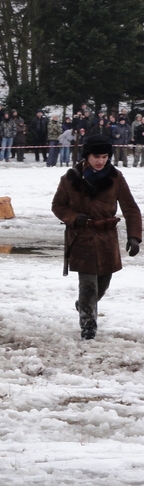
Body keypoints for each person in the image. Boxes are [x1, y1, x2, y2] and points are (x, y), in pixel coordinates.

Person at [52, 135, 141, 340]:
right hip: (81, 237)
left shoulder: (115, 177)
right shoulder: (71, 178)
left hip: (106, 238)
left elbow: (130, 208)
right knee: (88, 285)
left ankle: (84, 304)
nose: (101, 161)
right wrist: (74, 218)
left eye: (105, 157)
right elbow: (58, 206)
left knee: (102, 284)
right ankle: (88, 325)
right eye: (96, 157)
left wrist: (134, 236)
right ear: (87, 156)